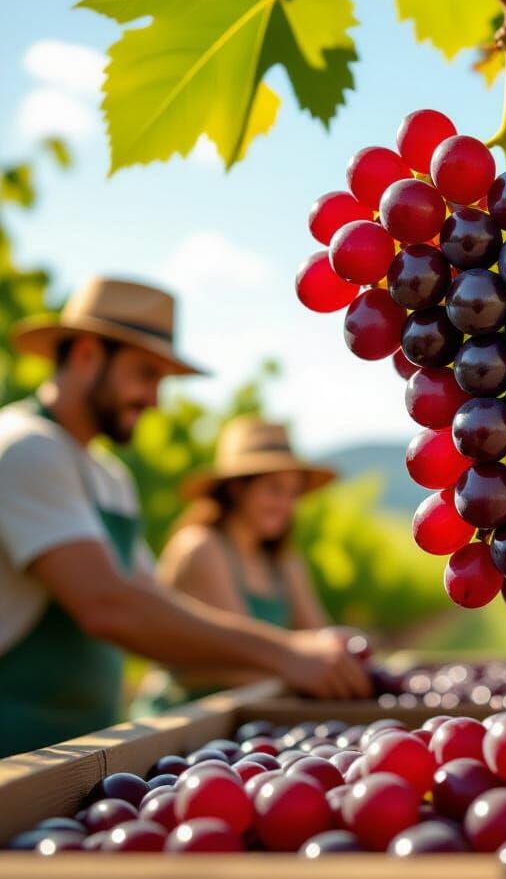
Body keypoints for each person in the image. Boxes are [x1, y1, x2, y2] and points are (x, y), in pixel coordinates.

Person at [0, 277, 369, 757]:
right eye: (145, 375)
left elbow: (151, 604)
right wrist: (286, 653)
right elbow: (107, 606)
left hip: (71, 756)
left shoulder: (108, 477)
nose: (155, 400)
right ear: (88, 354)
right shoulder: (26, 448)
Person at [146, 417, 337, 704]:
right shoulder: (202, 548)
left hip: (252, 710)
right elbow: (245, 658)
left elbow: (320, 638)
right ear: (237, 489)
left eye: (292, 493)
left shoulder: (284, 564)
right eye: (274, 489)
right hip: (188, 717)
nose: (286, 505)